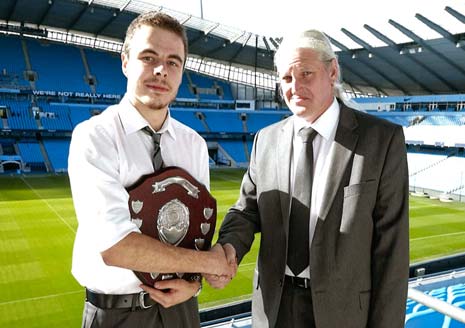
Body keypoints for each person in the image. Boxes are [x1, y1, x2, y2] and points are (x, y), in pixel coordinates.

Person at [206, 29, 409, 328]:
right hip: (274, 309)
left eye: (306, 73)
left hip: (344, 314)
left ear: (333, 71)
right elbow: (247, 211)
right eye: (286, 79)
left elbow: (391, 253)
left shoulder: (380, 140)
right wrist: (229, 249)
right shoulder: (266, 140)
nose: (295, 87)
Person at [68, 12, 234, 328]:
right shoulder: (96, 137)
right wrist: (207, 263)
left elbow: (195, 233)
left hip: (183, 312)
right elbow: (115, 247)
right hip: (118, 315)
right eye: (149, 57)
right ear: (126, 62)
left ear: (182, 72)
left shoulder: (193, 144)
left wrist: (196, 282)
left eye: (174, 62)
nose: (161, 70)